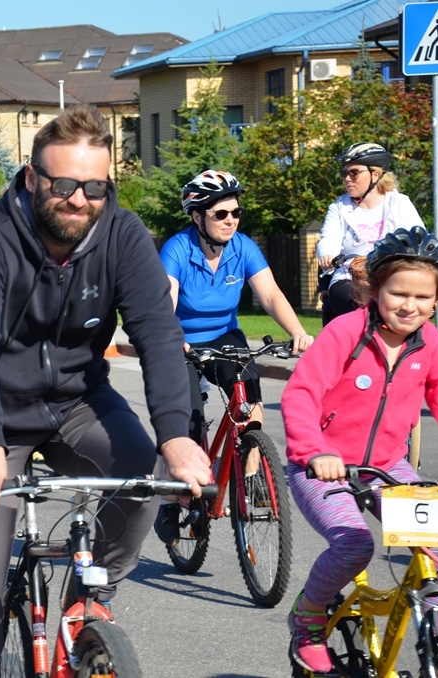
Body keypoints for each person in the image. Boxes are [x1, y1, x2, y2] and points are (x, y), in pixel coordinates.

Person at [0, 106, 211, 677]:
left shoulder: (122, 233)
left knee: (141, 466)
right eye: (63, 185)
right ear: (33, 177)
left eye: (94, 187)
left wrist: (177, 438)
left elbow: (158, 335)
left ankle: (90, 599)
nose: (78, 200)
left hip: (76, 403)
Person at [282, 226, 438, 675]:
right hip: (321, 465)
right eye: (398, 293)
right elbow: (301, 394)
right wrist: (314, 450)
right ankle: (308, 618)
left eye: (423, 298)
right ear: (376, 289)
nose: (409, 306)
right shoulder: (347, 331)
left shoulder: (431, 344)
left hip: (385, 464)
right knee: (354, 545)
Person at [153, 169, 314, 542]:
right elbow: (167, 298)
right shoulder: (178, 248)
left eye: (235, 213)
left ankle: (253, 475)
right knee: (187, 421)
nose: (230, 221)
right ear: (198, 216)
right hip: (182, 341)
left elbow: (271, 295)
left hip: (225, 336)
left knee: (249, 393)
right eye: (220, 214)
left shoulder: (243, 247)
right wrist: (172, 338)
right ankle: (171, 497)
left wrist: (298, 332)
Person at [316, 142, 422, 326]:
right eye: (344, 173)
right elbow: (328, 238)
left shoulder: (399, 203)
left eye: (354, 172)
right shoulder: (338, 208)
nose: (347, 178)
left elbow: (418, 236)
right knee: (356, 306)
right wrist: (328, 254)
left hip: (391, 275)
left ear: (375, 174)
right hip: (348, 278)